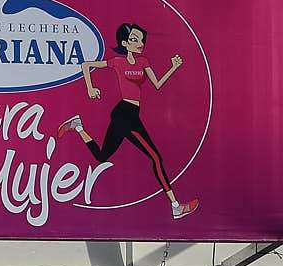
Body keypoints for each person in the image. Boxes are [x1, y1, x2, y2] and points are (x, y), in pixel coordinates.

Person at [61, 21, 199, 220]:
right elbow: (86, 65)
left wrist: (173, 67)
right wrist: (90, 87)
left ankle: (78, 126)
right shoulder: (117, 62)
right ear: (125, 43)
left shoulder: (143, 62)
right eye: (134, 40)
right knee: (156, 158)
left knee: (101, 156)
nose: (140, 43)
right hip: (124, 113)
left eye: (141, 40)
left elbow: (157, 84)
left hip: (131, 114)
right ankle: (176, 206)